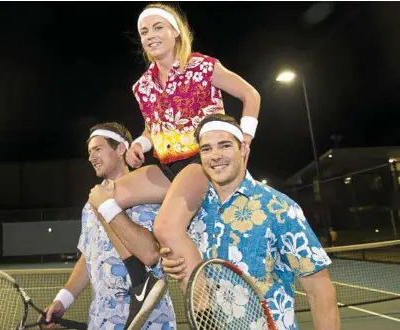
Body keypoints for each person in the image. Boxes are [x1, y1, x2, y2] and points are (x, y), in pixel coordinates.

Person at [90, 2, 261, 325]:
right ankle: (142, 278)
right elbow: (153, 128)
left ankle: (206, 311)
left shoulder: (204, 67)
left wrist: (246, 137)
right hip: (166, 167)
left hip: (200, 162)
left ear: (175, 32)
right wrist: (140, 144)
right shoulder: (142, 86)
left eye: (158, 27)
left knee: (167, 227)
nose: (151, 35)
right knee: (101, 196)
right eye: (144, 31)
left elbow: (251, 95)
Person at [160, 113, 341, 330]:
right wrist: (173, 262)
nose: (215, 155)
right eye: (206, 149)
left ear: (243, 149)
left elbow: (319, 290)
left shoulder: (280, 208)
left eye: (225, 145)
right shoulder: (193, 210)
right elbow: (187, 259)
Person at [42, 122, 176, 330]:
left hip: (151, 322)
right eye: (89, 152)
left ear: (121, 148)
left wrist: (106, 206)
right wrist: (63, 300)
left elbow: (151, 252)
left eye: (98, 149)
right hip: (102, 321)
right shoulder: (89, 205)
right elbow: (90, 256)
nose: (91, 157)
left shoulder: (151, 192)